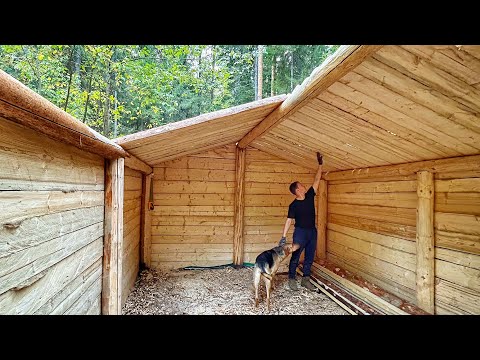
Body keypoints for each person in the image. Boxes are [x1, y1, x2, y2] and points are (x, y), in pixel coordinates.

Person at [279, 151, 323, 291]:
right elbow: (288, 221)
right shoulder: (293, 205)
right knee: (296, 256)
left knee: (310, 256)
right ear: (298, 190)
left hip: (312, 231)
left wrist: (320, 165)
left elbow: (317, 180)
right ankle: (292, 279)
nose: (305, 186)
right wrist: (284, 236)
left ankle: (305, 280)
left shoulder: (310, 195)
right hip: (300, 233)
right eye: (302, 185)